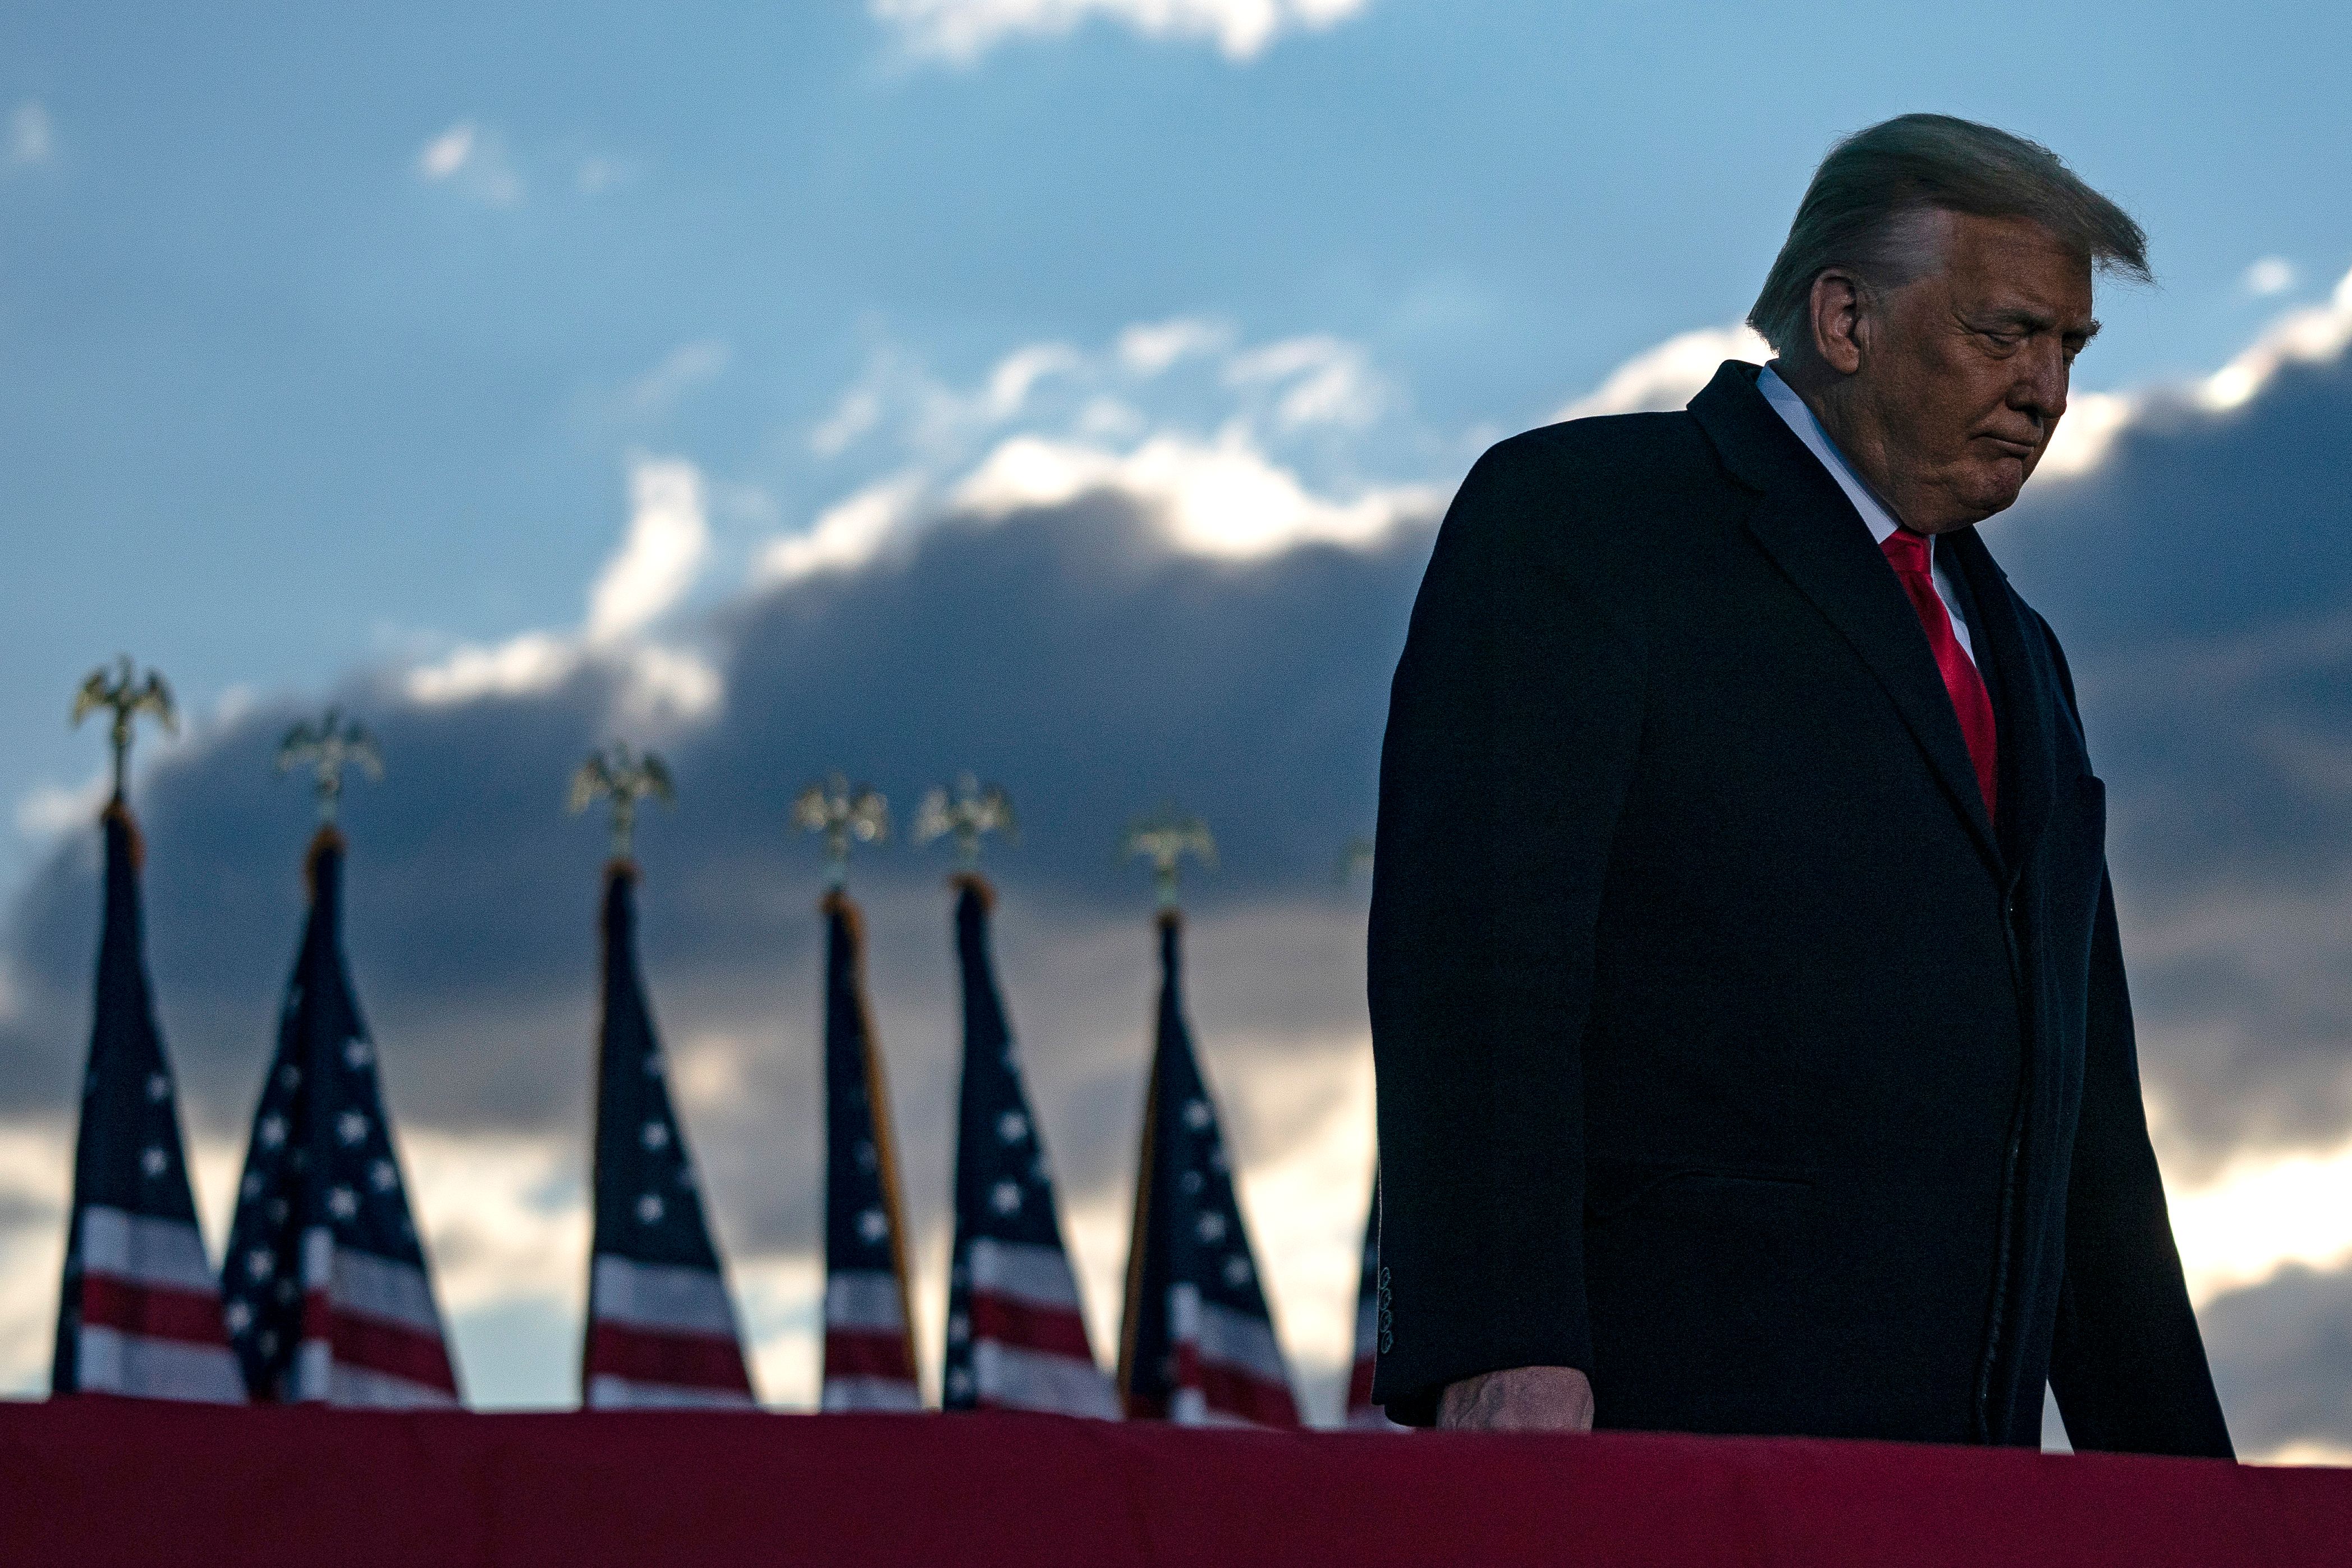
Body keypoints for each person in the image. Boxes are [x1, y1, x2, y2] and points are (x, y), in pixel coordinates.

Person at [1367, 113, 2233, 1456]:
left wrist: (2184, 1489)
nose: (2046, 388)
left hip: (1959, 1478)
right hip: (1649, 1434)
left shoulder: (2025, 660)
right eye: (2004, 332)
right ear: (1842, 318)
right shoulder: (1581, 520)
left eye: (2067, 346)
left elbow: (2083, 1119)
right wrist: (1499, 1344)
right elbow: (1481, 957)